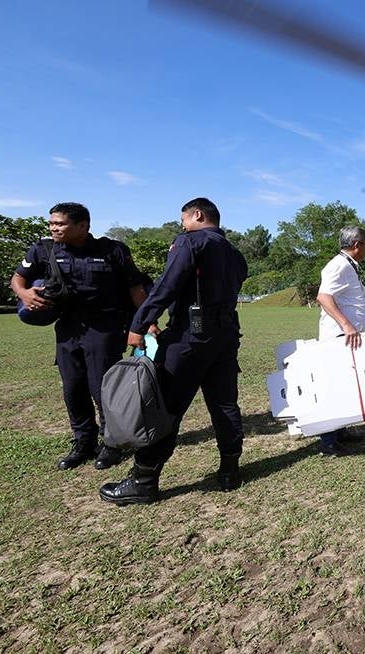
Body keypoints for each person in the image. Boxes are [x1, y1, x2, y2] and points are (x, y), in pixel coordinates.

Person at [99, 197, 248, 505]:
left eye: (184, 219)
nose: (182, 225)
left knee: (165, 405)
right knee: (224, 403)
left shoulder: (190, 242)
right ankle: (230, 470)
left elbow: (166, 286)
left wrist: (139, 324)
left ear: (197, 215)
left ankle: (144, 480)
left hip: (190, 336)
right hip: (226, 333)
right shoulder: (235, 254)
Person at [11, 202, 148, 471]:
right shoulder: (44, 249)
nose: (53, 228)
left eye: (60, 224)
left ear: (83, 226)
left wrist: (145, 323)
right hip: (68, 328)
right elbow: (18, 278)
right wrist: (25, 294)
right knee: (73, 388)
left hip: (104, 327)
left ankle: (111, 444)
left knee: (102, 388)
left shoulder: (112, 250)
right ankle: (83, 442)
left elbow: (136, 288)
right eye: (51, 223)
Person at [314, 225, 365, 457]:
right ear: (357, 245)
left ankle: (340, 431)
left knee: (347, 385)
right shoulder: (338, 266)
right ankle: (328, 442)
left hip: (349, 337)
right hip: (339, 336)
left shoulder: (349, 266)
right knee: (336, 386)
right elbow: (323, 297)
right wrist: (347, 325)